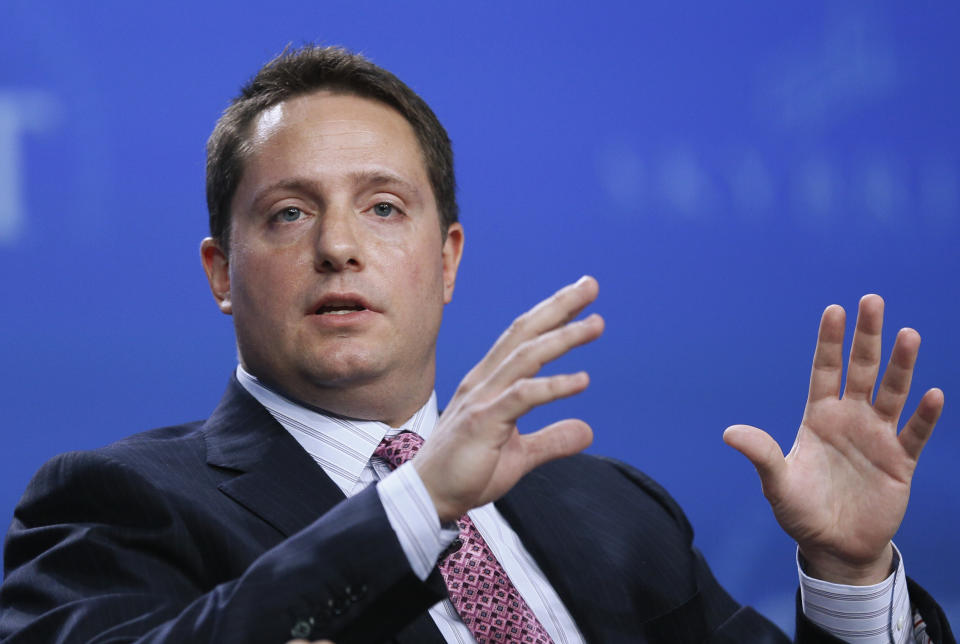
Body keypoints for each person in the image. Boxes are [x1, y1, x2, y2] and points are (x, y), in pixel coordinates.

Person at [0, 44, 952, 644]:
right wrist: (415, 504)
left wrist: (850, 582)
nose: (339, 247)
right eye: (289, 215)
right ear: (220, 271)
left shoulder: (611, 512)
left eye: (383, 207)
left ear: (447, 257)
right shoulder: (120, 504)